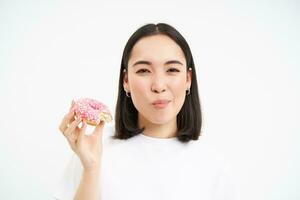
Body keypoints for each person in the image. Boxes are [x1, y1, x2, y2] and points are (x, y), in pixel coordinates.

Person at [53, 23, 237, 200]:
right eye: (143, 70)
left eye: (172, 69)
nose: (158, 86)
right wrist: (91, 169)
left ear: (188, 79)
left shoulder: (213, 165)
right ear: (126, 80)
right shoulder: (95, 149)